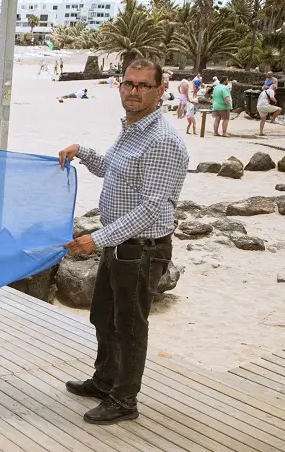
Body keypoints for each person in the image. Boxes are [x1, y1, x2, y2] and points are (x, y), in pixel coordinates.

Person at [58, 59, 188, 426]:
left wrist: (95, 240)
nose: (134, 91)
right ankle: (104, 381)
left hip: (141, 249)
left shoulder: (162, 141)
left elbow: (151, 209)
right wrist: (82, 152)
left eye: (144, 85)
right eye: (129, 83)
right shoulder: (132, 130)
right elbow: (111, 169)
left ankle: (124, 400)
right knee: (103, 316)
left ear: (161, 90)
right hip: (120, 243)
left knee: (130, 326)